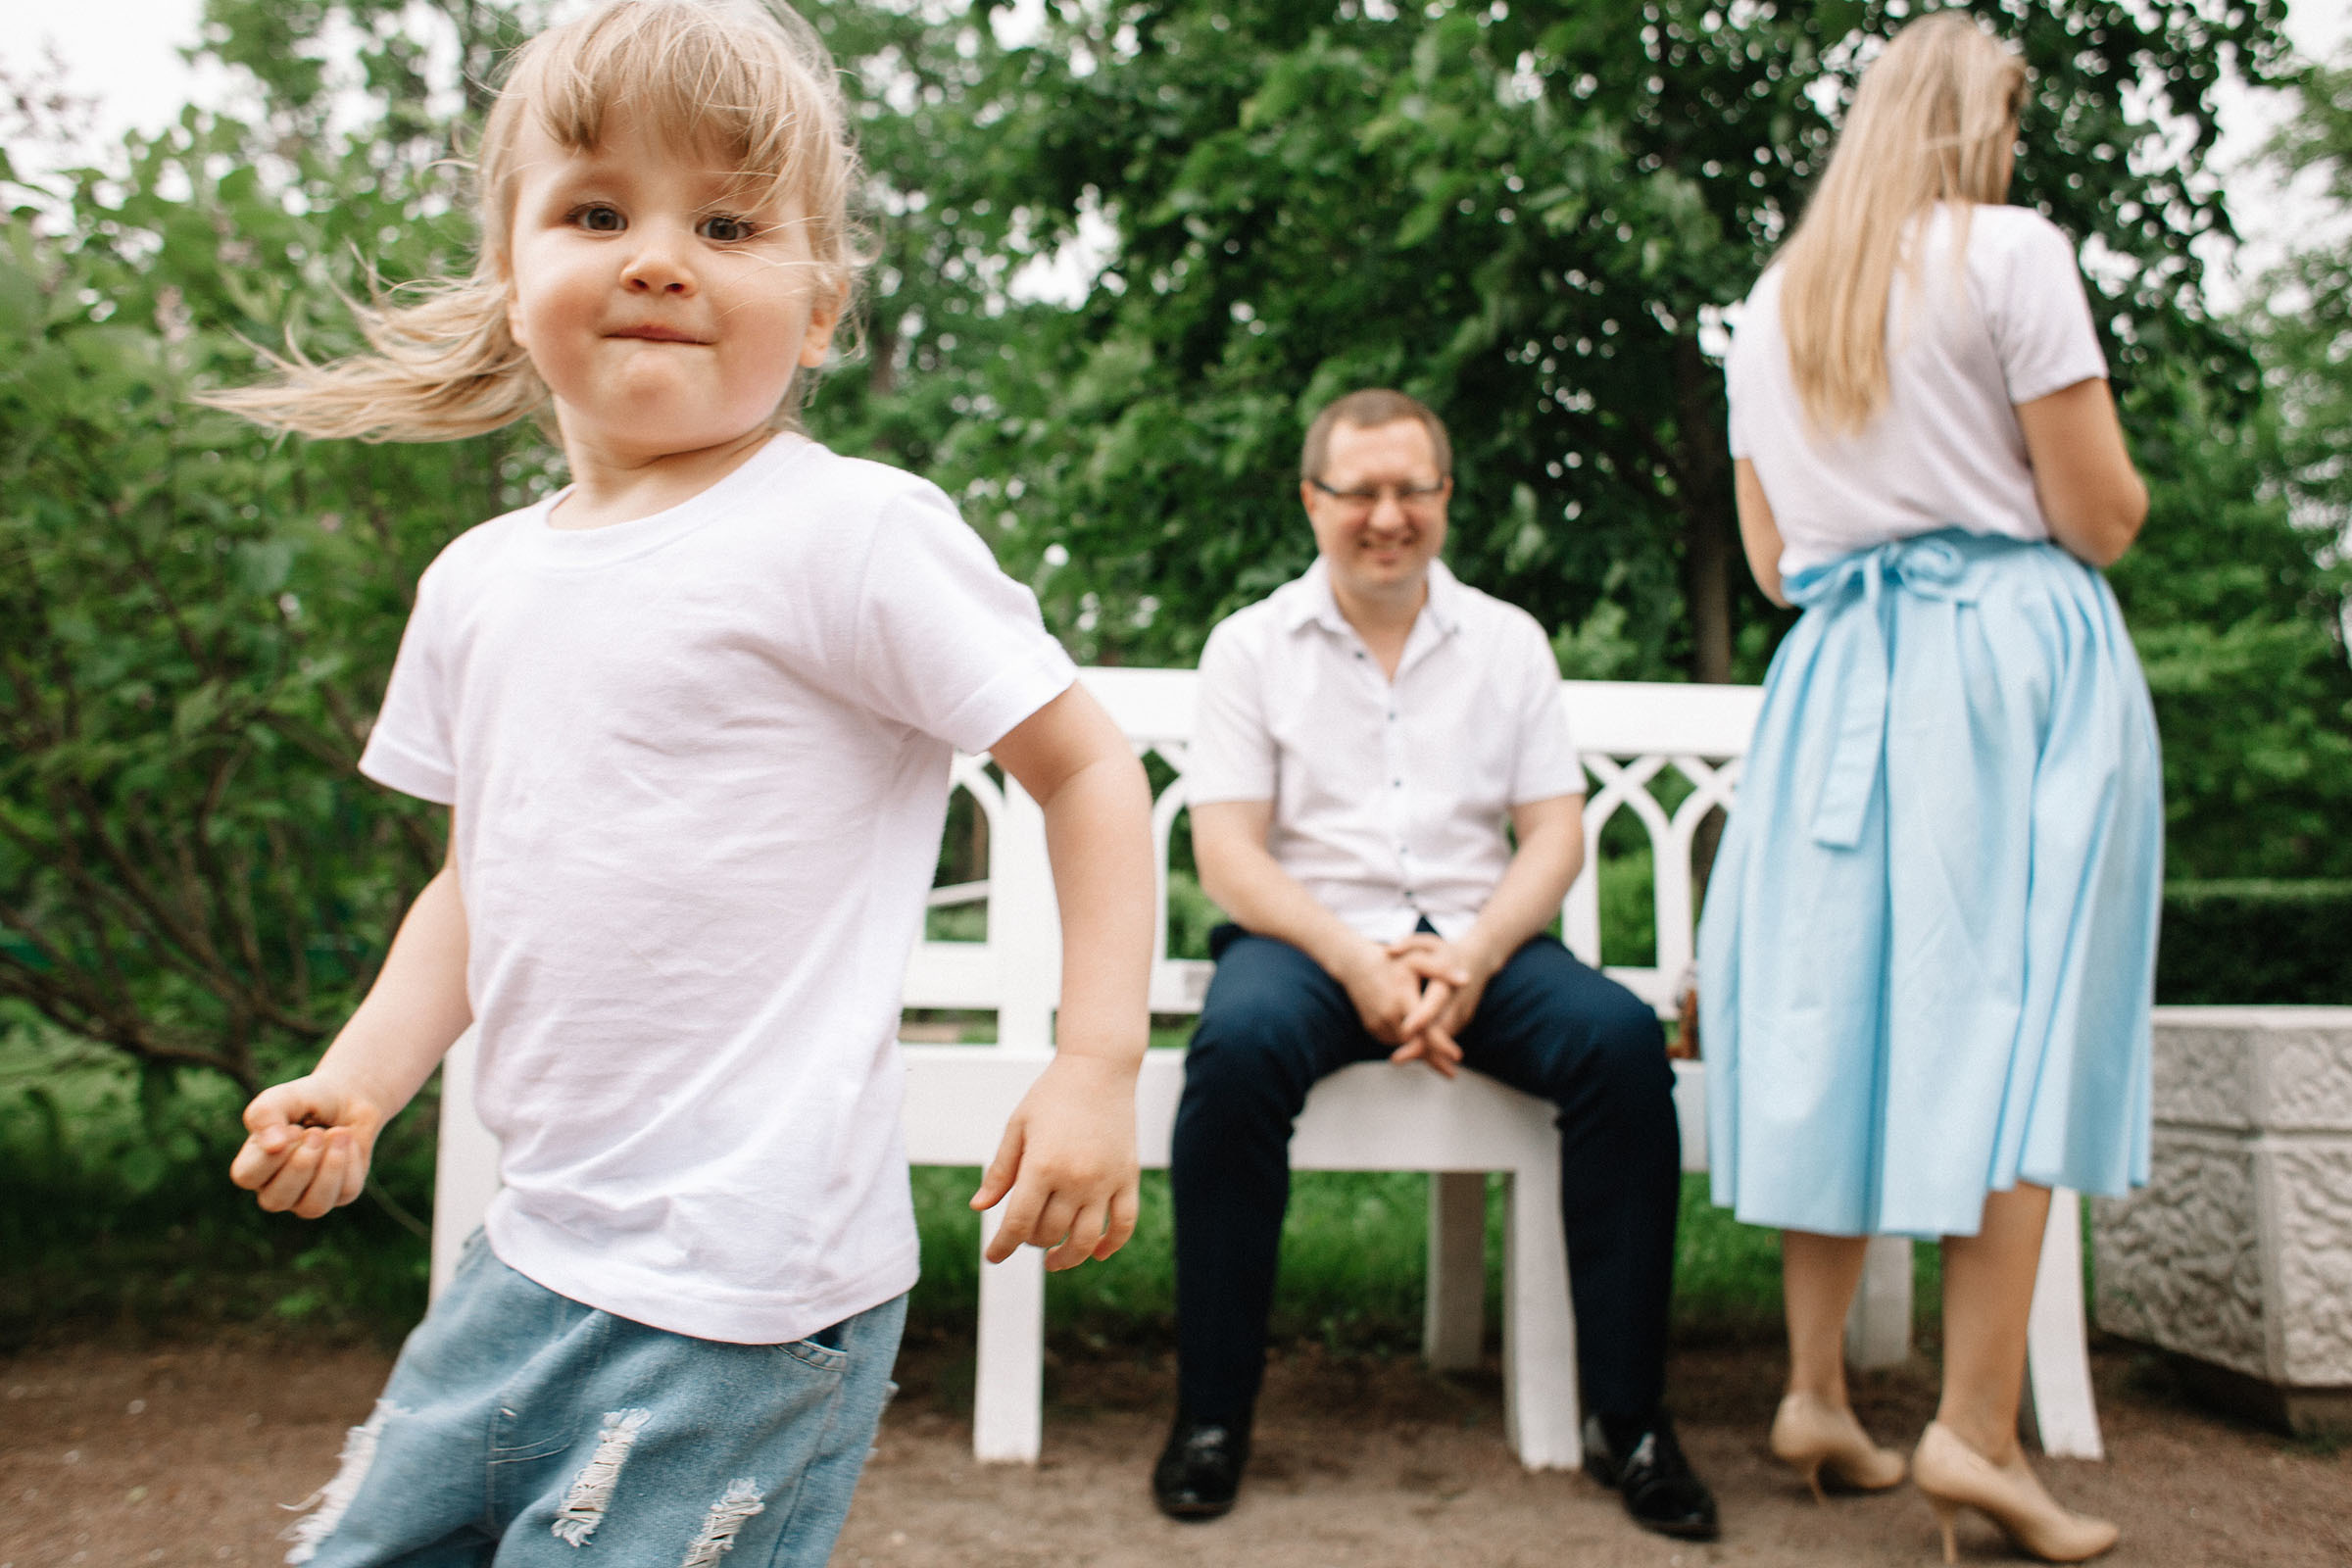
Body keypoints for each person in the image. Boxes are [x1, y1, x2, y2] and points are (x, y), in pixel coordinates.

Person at [211, 4, 1153, 1563]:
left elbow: (1085, 766)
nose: (658, 257)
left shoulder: (852, 534)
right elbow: (476, 879)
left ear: (823, 303)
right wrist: (364, 1079)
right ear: (512, 275)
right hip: (534, 1252)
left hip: (750, 1292)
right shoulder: (475, 585)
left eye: (726, 222)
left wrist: (1096, 1067)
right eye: (597, 212)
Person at [1701, 14, 2157, 1564]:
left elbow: (1774, 567)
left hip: (1838, 680)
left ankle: (1819, 1394)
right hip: (2004, 671)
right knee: (2008, 1020)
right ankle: (1975, 1428)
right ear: (1980, 120)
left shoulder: (1772, 308)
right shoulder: (2012, 255)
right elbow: (2097, 516)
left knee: (1841, 1017)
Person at [1151, 388, 1719, 1542]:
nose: (1387, 514)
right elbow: (1227, 853)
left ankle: (1636, 1422)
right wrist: (1359, 964)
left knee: (1617, 1044)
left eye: (1412, 488)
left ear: (1445, 498)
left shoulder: (1508, 642)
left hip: (1482, 942)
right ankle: (1212, 1414)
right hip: (1306, 943)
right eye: (1359, 489)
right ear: (1314, 499)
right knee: (1237, 1052)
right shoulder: (1249, 644)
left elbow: (1553, 833)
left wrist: (1469, 956)